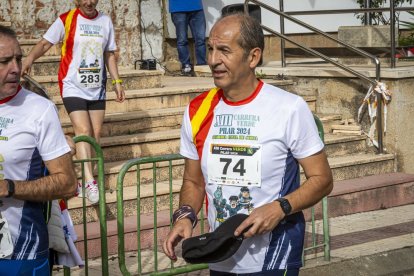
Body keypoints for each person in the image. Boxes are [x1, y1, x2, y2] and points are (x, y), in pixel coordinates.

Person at [162, 13, 333, 275]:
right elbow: (193, 182)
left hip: (275, 255)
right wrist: (185, 216)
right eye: (210, 49)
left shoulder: (289, 108)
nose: (212, 60)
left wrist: (280, 208)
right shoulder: (198, 110)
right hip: (221, 253)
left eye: (224, 51)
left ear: (253, 57)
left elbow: (322, 179)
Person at [22, 0, 125, 204]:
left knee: (94, 136)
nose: (89, 2)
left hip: (96, 87)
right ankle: (89, 181)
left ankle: (85, 176)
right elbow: (45, 43)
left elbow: (109, 54)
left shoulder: (105, 21)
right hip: (72, 84)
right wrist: (28, 59)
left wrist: (117, 81)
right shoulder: (66, 20)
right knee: (84, 131)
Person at [0, 25, 77, 275]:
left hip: (21, 254)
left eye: (19, 59)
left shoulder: (38, 109)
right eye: (5, 61)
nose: (16, 68)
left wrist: (10, 188)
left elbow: (67, 184)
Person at [169, 0, 207, 76]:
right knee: (182, 40)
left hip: (197, 8)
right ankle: (186, 66)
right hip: (178, 8)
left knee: (200, 39)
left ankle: (202, 65)